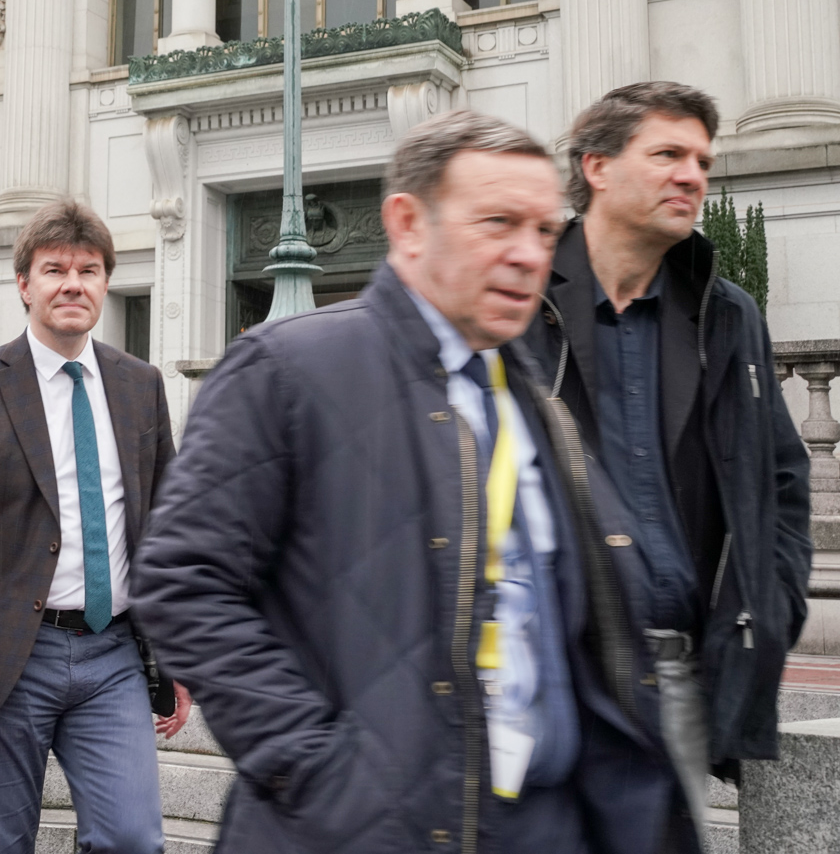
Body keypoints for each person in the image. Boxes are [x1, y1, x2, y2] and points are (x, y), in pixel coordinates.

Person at [135, 111, 678, 854]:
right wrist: (323, 773)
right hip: (358, 828)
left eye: (545, 231)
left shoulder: (537, 399)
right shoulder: (287, 367)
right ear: (407, 223)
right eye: (497, 222)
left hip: (540, 823)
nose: (529, 256)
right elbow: (181, 579)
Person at [521, 82, 810, 839]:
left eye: (702, 161)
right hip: (548, 674)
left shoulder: (726, 312)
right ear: (598, 167)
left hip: (678, 678)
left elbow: (781, 481)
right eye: (668, 154)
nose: (693, 175)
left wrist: (767, 611)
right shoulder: (519, 300)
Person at [0, 200, 190, 853]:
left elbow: (166, 529)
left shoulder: (141, 386)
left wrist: (182, 656)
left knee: (134, 837)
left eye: (89, 269)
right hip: (9, 654)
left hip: (113, 655)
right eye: (54, 269)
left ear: (106, 281)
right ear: (24, 284)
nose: (72, 283)